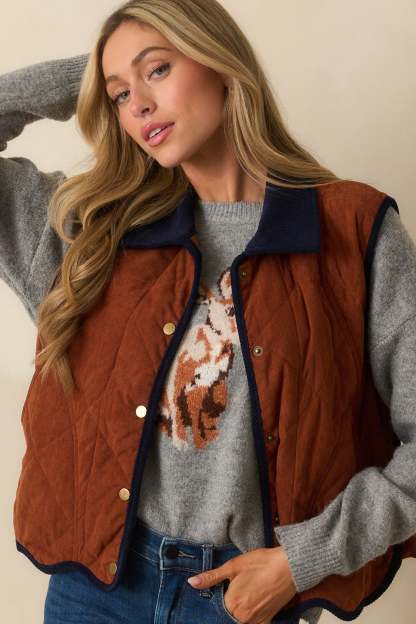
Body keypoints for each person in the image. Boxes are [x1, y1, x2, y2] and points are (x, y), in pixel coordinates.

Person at [1, 1, 416, 623]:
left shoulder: (352, 233)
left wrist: (301, 561)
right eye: (120, 96)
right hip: (95, 593)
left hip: (244, 598)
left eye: (158, 70)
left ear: (220, 63)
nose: (139, 105)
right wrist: (92, 74)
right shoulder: (94, 237)